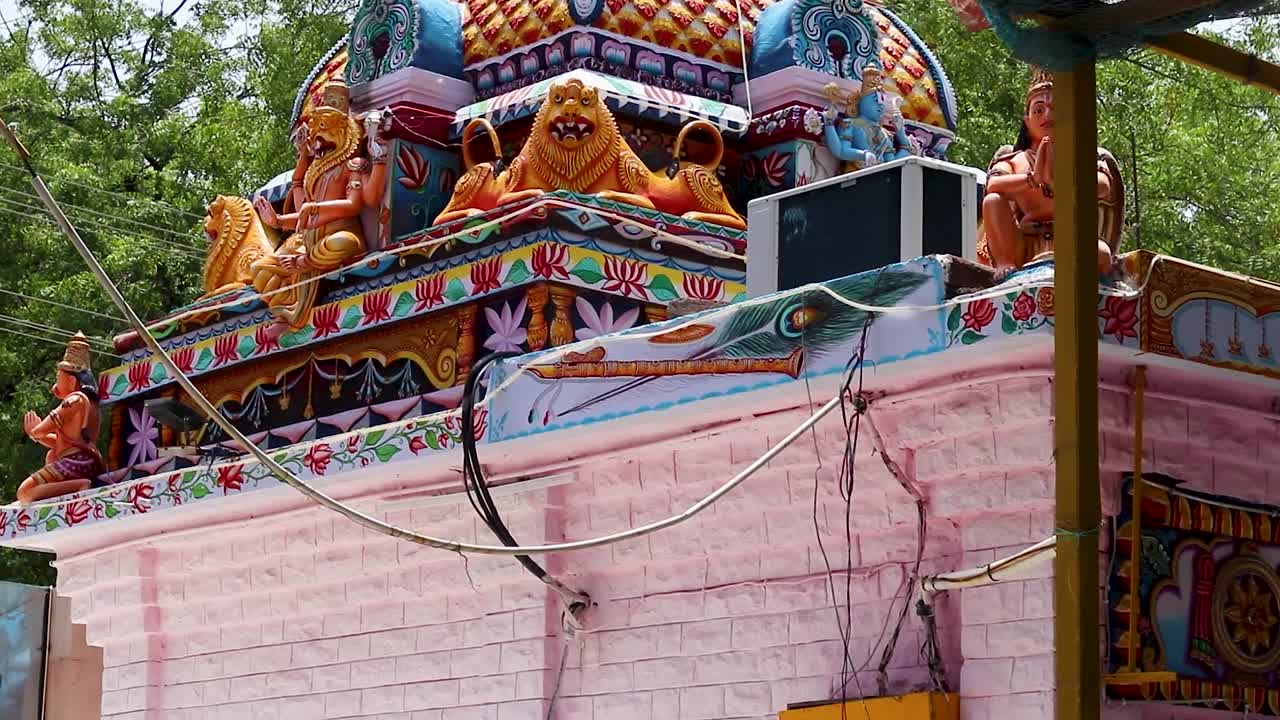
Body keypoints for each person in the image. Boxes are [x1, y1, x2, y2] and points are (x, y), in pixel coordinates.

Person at [980, 68, 1124, 275]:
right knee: (992, 200)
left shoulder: (1084, 157)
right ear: (1027, 121)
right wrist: (1033, 179)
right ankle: (1004, 263)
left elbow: (1102, 186)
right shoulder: (1014, 160)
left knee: (1101, 254)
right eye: (1038, 110)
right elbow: (992, 186)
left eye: (1055, 108)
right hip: (1024, 243)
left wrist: (1063, 182)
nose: (1047, 115)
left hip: (1072, 239)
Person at [15, 333, 105, 504]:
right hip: (86, 460)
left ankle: (80, 485)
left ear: (71, 381)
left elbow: (42, 429)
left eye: (58, 379)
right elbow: (60, 443)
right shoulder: (92, 406)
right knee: (51, 455)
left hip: (77, 461)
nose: (54, 387)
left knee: (25, 492)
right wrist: (37, 435)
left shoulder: (74, 400)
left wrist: (34, 431)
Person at [822, 67, 914, 172]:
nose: (880, 106)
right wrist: (829, 122)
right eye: (875, 100)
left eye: (883, 102)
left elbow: (892, 165)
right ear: (862, 102)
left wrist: (900, 133)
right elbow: (840, 151)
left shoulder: (885, 134)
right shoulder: (850, 124)